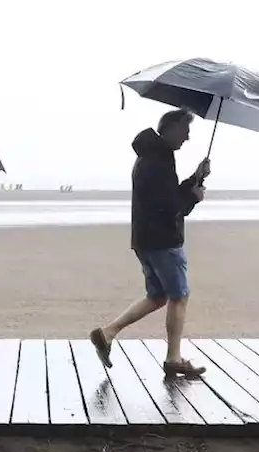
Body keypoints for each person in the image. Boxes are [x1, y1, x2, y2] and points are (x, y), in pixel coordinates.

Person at [89, 109, 210, 378]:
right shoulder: (157, 160)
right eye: (185, 131)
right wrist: (194, 198)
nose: (187, 138)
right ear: (171, 128)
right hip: (163, 240)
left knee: (157, 296)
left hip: (145, 240)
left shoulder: (152, 155)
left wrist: (195, 178)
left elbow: (167, 195)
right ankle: (173, 359)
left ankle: (107, 334)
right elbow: (169, 207)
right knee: (179, 296)